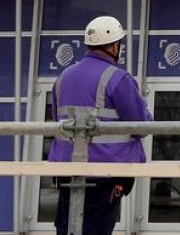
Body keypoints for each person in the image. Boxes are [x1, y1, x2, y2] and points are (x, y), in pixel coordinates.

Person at [50, 16, 152, 235]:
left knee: (68, 228)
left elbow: (57, 121)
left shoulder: (63, 77)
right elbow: (140, 126)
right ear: (115, 46)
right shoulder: (118, 78)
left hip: (67, 169)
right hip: (105, 172)